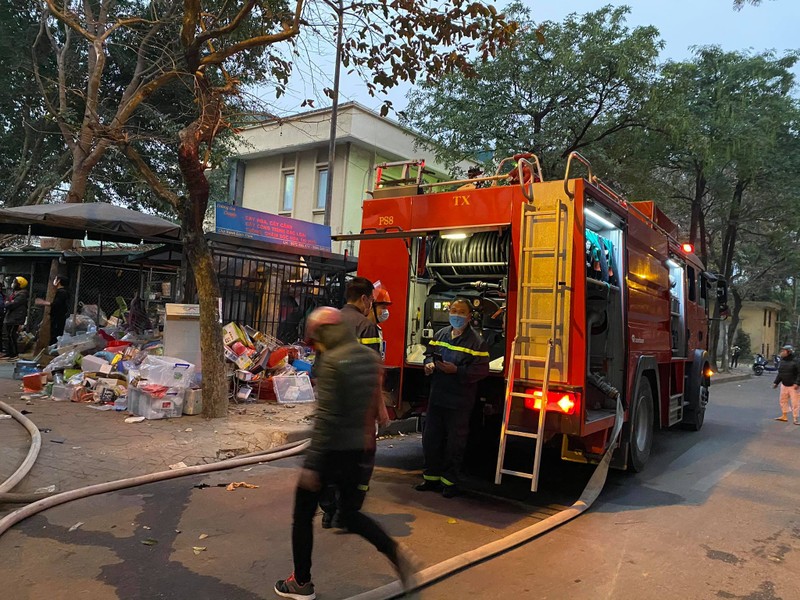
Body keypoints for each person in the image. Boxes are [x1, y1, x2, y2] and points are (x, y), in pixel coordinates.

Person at [274, 307, 418, 600]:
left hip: (329, 451)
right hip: (359, 449)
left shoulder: (333, 362)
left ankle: (300, 582)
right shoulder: (368, 356)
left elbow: (326, 416)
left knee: (302, 516)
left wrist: (313, 465)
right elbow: (375, 394)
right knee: (349, 514)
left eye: (315, 340)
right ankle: (394, 551)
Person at [320, 278, 389, 529]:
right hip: (358, 406)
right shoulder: (365, 326)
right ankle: (347, 511)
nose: (372, 305)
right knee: (361, 461)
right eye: (372, 300)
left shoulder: (330, 321)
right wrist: (380, 409)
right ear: (364, 299)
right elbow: (372, 373)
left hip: (332, 403)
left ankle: (328, 511)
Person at [417, 298, 490, 498]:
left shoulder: (477, 341)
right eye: (453, 310)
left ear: (469, 316)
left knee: (455, 443)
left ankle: (450, 482)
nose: (456, 315)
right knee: (431, 438)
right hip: (437, 396)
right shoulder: (441, 334)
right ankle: (431, 478)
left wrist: (457, 370)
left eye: (461, 312)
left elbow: (481, 370)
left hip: (459, 400)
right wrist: (429, 363)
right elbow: (429, 353)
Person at [35, 275, 70, 345]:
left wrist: (43, 302)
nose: (54, 281)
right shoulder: (61, 291)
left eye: (56, 279)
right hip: (58, 316)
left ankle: (54, 349)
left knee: (55, 334)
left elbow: (56, 304)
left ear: (59, 281)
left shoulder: (62, 292)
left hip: (58, 316)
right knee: (55, 333)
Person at [1, 277, 30, 360]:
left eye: (15, 282)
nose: (13, 284)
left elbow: (10, 305)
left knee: (11, 335)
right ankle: (9, 353)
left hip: (15, 318)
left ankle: (14, 354)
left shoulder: (22, 295)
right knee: (9, 335)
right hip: (11, 317)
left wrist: (7, 303)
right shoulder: (16, 293)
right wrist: (8, 303)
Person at [772, 344, 800, 425]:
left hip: (794, 386)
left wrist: (797, 383)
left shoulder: (796, 361)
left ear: (789, 352)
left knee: (795, 403)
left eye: (784, 351)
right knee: (783, 400)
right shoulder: (783, 361)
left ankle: (796, 418)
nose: (782, 352)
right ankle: (784, 416)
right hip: (784, 385)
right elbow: (780, 373)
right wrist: (776, 382)